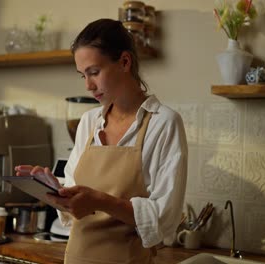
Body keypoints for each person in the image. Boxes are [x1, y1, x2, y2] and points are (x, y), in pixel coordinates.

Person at [15, 18, 187, 264]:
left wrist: (100, 200)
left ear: (125, 62)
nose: (88, 85)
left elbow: (164, 219)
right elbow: (75, 207)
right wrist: (54, 189)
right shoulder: (89, 121)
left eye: (94, 72)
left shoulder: (164, 123)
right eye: (82, 75)